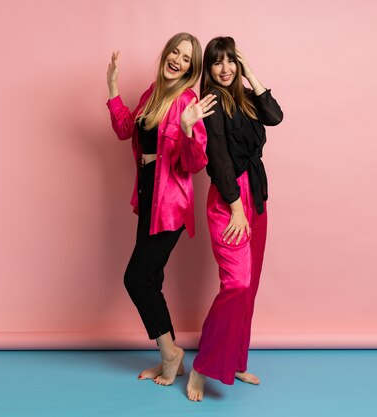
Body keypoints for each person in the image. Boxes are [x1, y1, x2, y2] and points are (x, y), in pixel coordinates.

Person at [106, 33, 217, 386]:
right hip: (148, 194)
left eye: (186, 59)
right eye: (175, 52)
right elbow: (126, 129)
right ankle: (170, 356)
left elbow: (194, 163)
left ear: (191, 69)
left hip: (170, 203)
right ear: (166, 54)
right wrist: (112, 88)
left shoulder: (187, 101)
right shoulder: (152, 93)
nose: (178, 60)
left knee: (136, 278)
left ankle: (171, 353)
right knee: (151, 279)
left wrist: (189, 130)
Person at [186, 36, 283, 401]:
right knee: (236, 284)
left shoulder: (245, 98)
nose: (225, 69)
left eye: (231, 61)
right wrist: (236, 207)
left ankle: (235, 360)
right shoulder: (208, 103)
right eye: (217, 62)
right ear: (208, 69)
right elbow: (219, 159)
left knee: (250, 287)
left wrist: (253, 75)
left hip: (256, 195)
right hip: (229, 200)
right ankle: (203, 367)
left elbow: (275, 116)